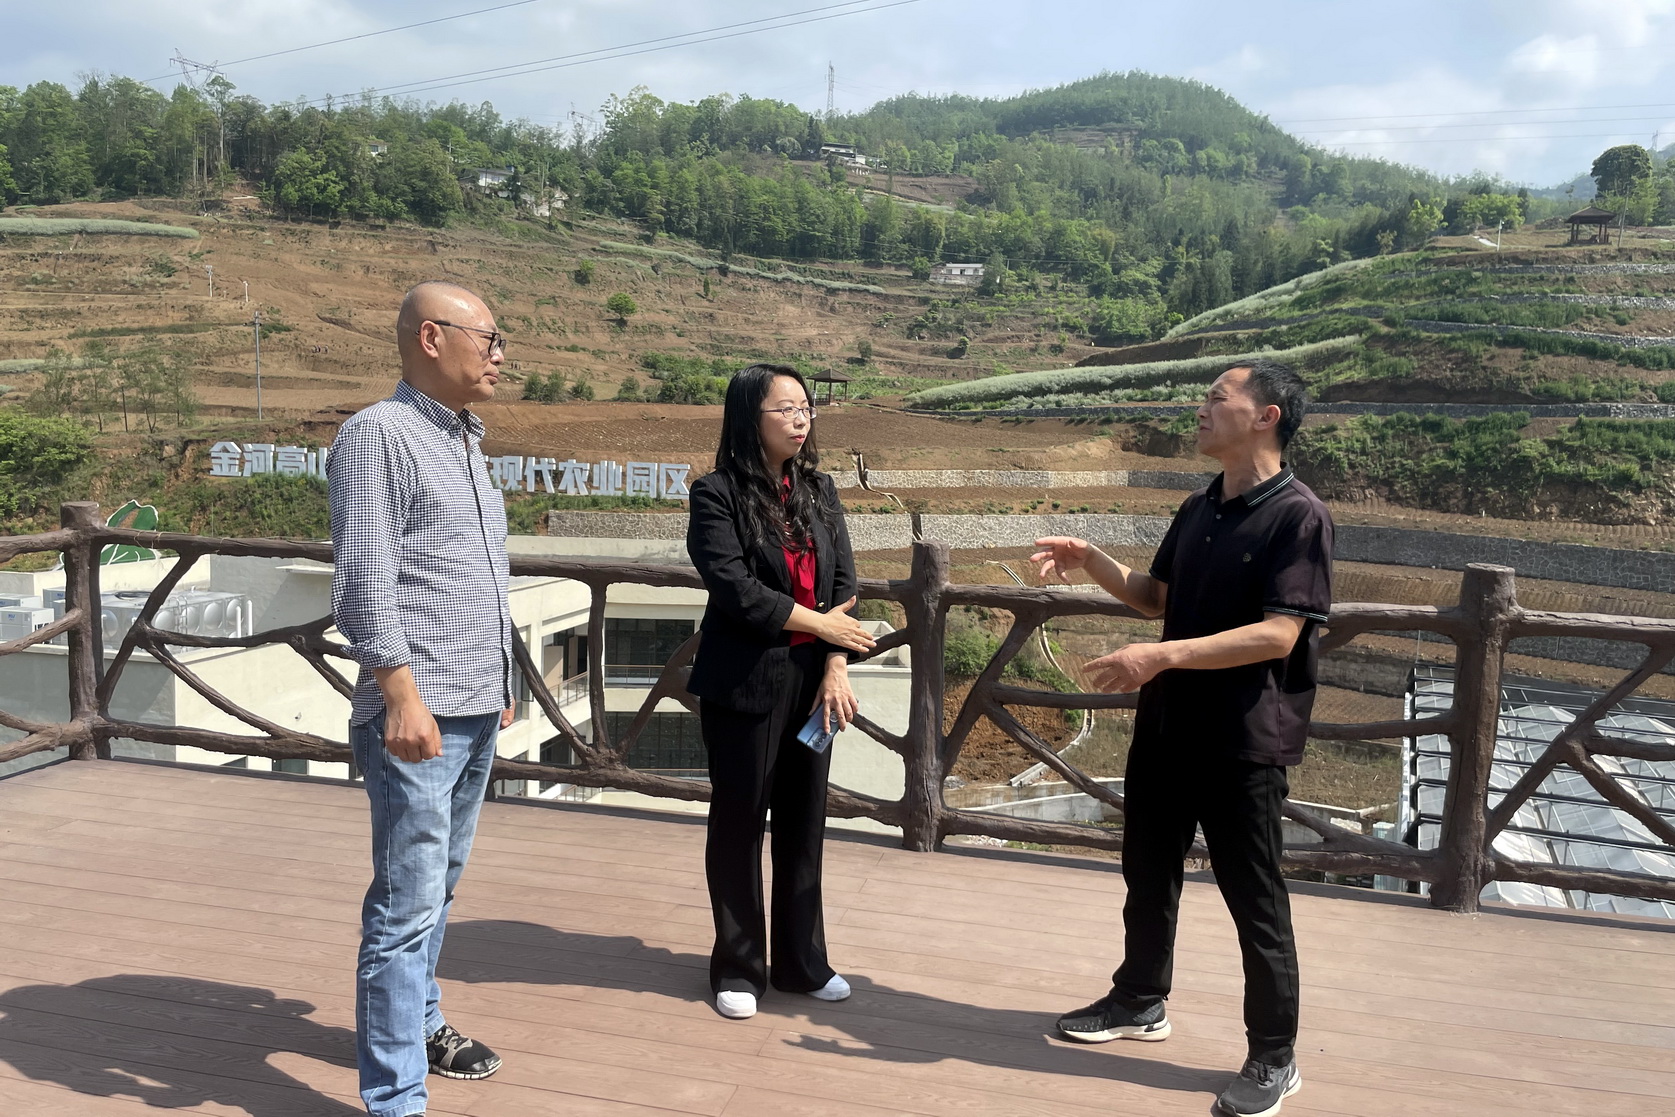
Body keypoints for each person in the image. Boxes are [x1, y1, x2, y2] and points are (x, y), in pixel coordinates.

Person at [1032, 358, 1333, 1117]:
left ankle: (1274, 1055)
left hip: (1241, 741)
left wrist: (1162, 657)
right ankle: (1139, 999)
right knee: (1148, 873)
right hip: (1168, 728)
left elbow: (1278, 633)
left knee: (1254, 900)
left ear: (1264, 415)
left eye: (1215, 397)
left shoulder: (1298, 515)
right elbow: (1153, 597)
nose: (1199, 408)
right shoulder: (1200, 506)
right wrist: (1090, 559)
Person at [329, 280, 515, 1117]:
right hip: (420, 710)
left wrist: (500, 680)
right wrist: (400, 693)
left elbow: (476, 576)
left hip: (473, 701)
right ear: (432, 338)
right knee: (405, 905)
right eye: (490, 338)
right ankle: (395, 1097)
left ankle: (422, 1022)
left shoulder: (465, 438)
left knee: (438, 888)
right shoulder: (379, 434)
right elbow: (364, 579)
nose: (500, 355)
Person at [684, 362, 877, 1021]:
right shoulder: (715, 493)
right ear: (750, 416)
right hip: (746, 680)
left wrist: (835, 663)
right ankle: (739, 966)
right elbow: (735, 588)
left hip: (813, 680)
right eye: (786, 408)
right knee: (740, 823)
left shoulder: (819, 489)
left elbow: (845, 582)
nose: (801, 419)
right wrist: (820, 625)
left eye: (805, 408)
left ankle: (802, 962)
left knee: (803, 821)